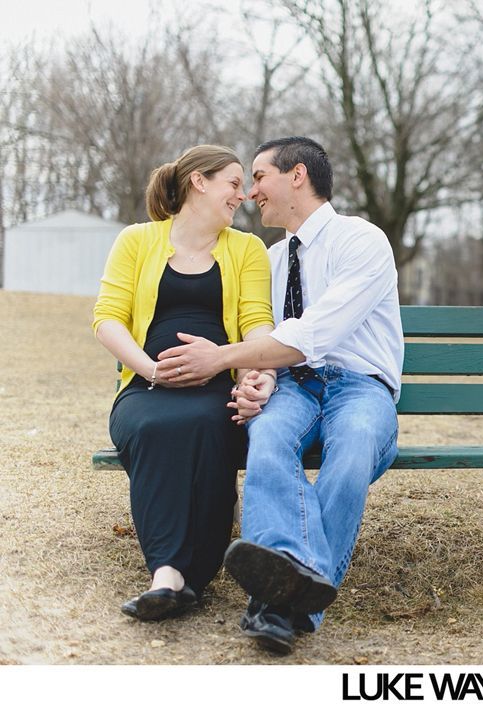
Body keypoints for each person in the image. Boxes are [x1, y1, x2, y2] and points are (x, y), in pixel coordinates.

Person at [155, 136, 403, 654]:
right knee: (266, 438)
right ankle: (290, 594)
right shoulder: (270, 259)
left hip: (359, 386)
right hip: (293, 385)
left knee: (353, 447)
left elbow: (316, 332)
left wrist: (221, 358)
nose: (251, 193)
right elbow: (265, 334)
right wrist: (256, 375)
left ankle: (279, 605)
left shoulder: (361, 240)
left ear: (297, 175)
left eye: (259, 177)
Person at [93, 145, 274, 621]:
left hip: (216, 390)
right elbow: (107, 318)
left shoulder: (247, 249)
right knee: (155, 428)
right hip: (145, 390)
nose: (242, 195)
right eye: (233, 183)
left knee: (206, 424)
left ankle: (191, 578)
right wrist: (150, 370)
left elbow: (257, 323)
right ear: (199, 181)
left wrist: (252, 375)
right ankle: (168, 575)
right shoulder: (137, 240)